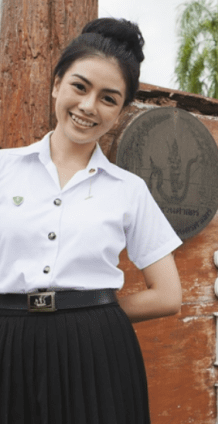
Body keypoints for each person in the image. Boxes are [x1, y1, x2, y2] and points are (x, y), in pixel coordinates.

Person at [0, 18, 182, 424]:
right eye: (79, 87)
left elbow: (167, 294)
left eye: (108, 98)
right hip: (6, 342)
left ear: (120, 110)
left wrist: (88, 313)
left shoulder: (128, 189)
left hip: (96, 351)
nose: (88, 106)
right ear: (56, 83)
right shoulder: (2, 170)